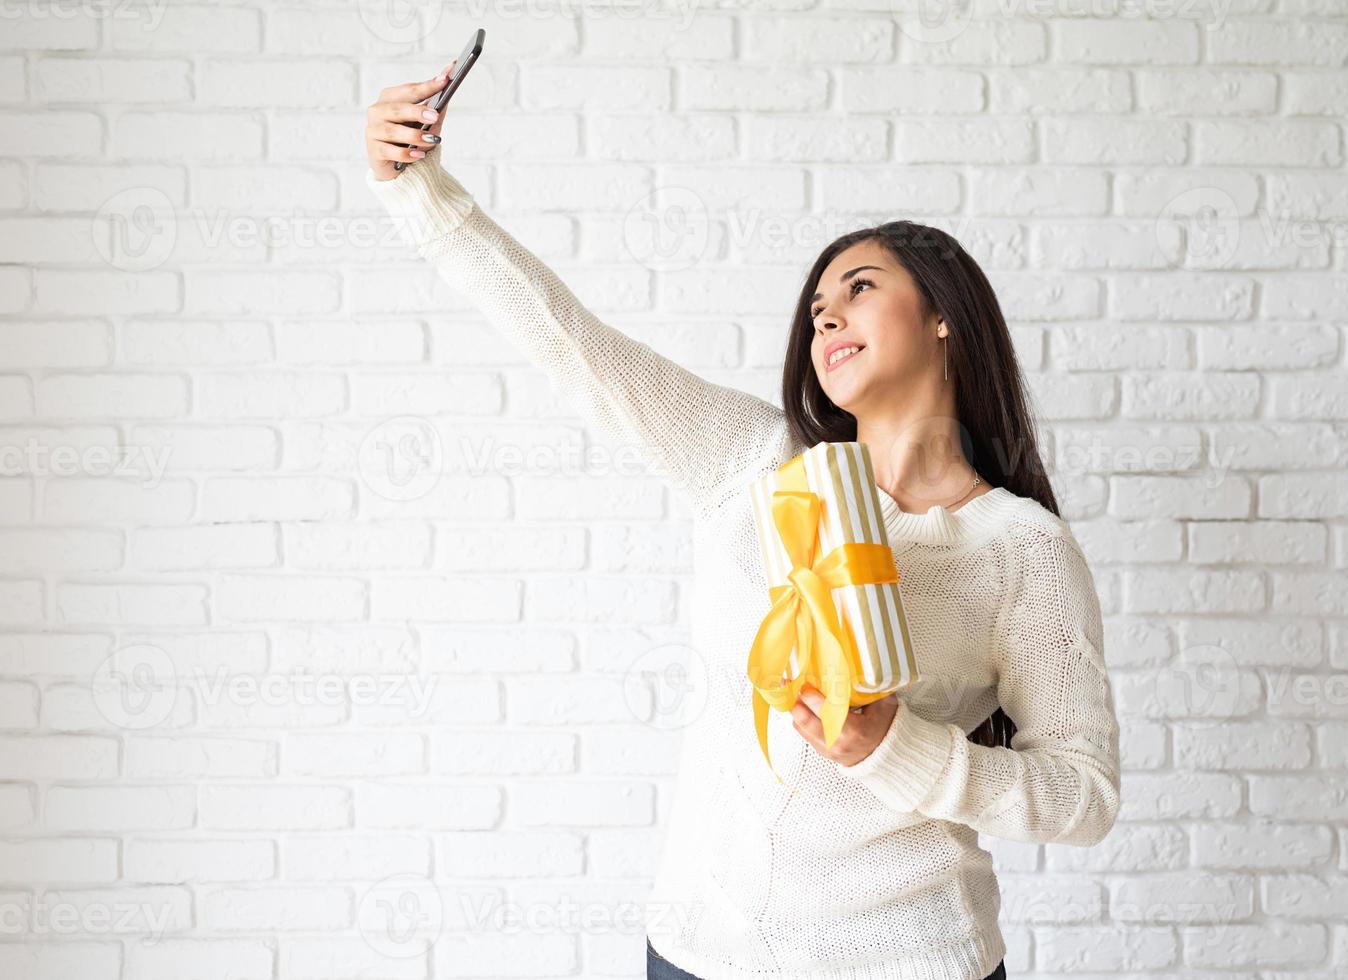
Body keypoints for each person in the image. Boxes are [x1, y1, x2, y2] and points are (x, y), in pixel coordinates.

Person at [364, 68, 1121, 980]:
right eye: (816, 310)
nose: (826, 315)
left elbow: (1082, 797)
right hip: (693, 954)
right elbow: (574, 348)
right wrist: (422, 193)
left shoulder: (1021, 550)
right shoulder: (753, 465)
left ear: (943, 320)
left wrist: (898, 750)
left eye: (859, 287)